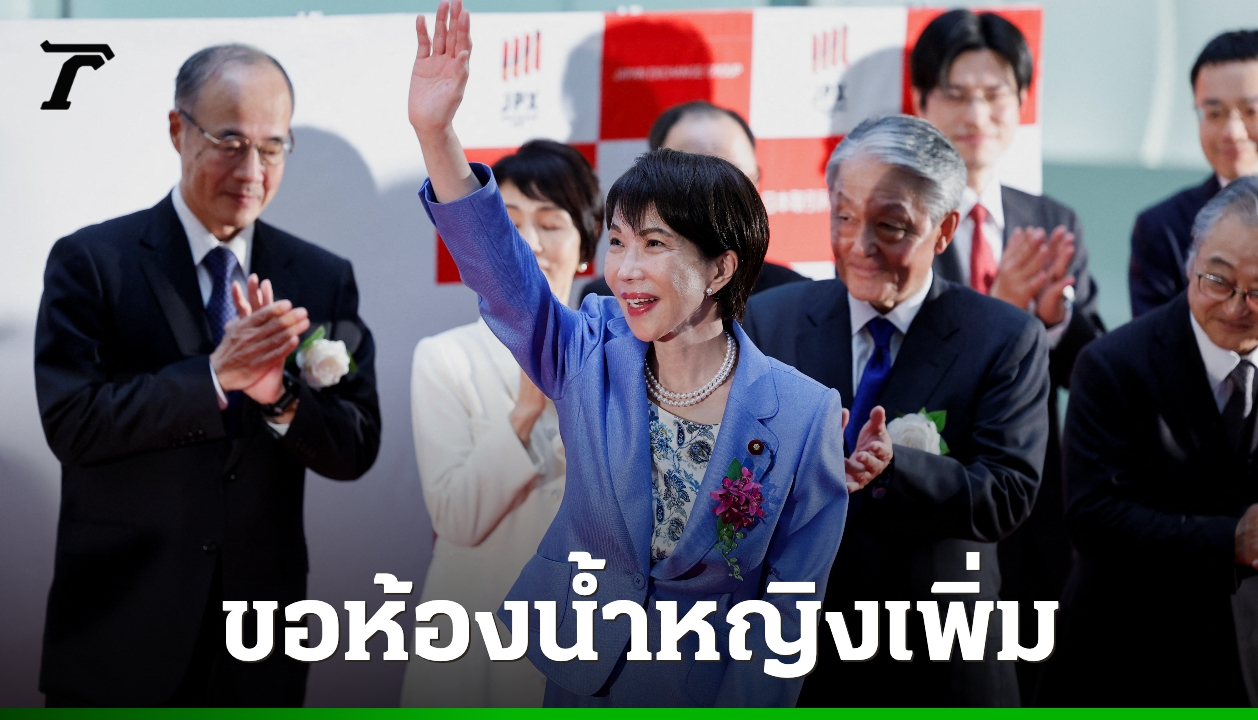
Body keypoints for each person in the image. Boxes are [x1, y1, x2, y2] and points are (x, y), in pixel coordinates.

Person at [408, 1, 848, 706]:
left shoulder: (803, 414)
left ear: (720, 268)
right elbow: (501, 276)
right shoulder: (588, 351)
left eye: (654, 244)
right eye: (616, 242)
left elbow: (787, 615)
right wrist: (437, 134)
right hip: (579, 678)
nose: (625, 270)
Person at [34, 45, 381, 707]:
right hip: (121, 627)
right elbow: (71, 424)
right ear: (178, 129)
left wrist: (279, 397)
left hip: (260, 637)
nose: (252, 170)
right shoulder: (92, 262)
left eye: (272, 147)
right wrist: (214, 377)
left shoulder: (320, 276)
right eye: (230, 142)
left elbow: (355, 446)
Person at [744, 115, 1050, 707]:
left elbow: (1007, 494)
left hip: (940, 660)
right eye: (844, 218)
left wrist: (897, 467)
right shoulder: (772, 320)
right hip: (801, 659)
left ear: (944, 229)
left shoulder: (1002, 337)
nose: (860, 246)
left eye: (890, 226)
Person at [909, 9, 1106, 700]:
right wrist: (999, 316)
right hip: (941, 497)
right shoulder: (901, 221)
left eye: (995, 94)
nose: (977, 114)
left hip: (1039, 496)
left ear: (1021, 100)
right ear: (922, 102)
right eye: (956, 94)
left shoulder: (1052, 220)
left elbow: (1091, 366)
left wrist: (1050, 323)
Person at [1043, 176, 1258, 707]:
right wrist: (1232, 539)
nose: (1235, 306)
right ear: (1191, 261)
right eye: (1217, 280)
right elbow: (1092, 518)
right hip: (1131, 655)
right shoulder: (1113, 365)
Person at [400, 140, 601, 707]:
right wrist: (524, 413)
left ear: (586, 247)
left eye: (551, 224)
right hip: (474, 634)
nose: (530, 243)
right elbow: (456, 518)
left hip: (586, 635)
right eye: (509, 224)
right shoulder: (445, 358)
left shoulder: (617, 357)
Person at [580, 101, 809, 300]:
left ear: (757, 184)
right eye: (692, 179)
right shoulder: (610, 300)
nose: (714, 199)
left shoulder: (796, 299)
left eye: (734, 179)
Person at [1130, 30, 1258, 318]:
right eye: (1214, 113)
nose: (1232, 132)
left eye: (1252, 111)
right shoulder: (1163, 228)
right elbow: (1156, 338)